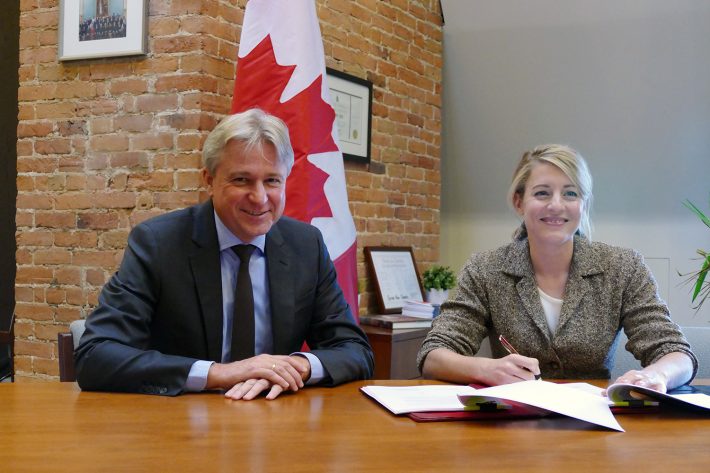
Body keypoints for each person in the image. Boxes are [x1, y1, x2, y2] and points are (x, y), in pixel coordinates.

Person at [75, 108, 374, 399]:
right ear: (209, 180)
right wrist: (219, 373)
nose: (259, 198)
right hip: (177, 427)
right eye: (241, 180)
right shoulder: (159, 243)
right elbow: (96, 355)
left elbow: (355, 350)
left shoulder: (305, 245)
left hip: (276, 424)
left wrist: (296, 366)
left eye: (272, 180)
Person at [417, 144, 697, 393]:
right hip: (510, 427)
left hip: (594, 426)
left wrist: (655, 374)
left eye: (570, 194)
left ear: (583, 205)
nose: (556, 205)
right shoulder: (485, 269)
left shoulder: (623, 267)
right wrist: (484, 369)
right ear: (519, 202)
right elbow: (434, 355)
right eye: (542, 193)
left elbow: (676, 352)